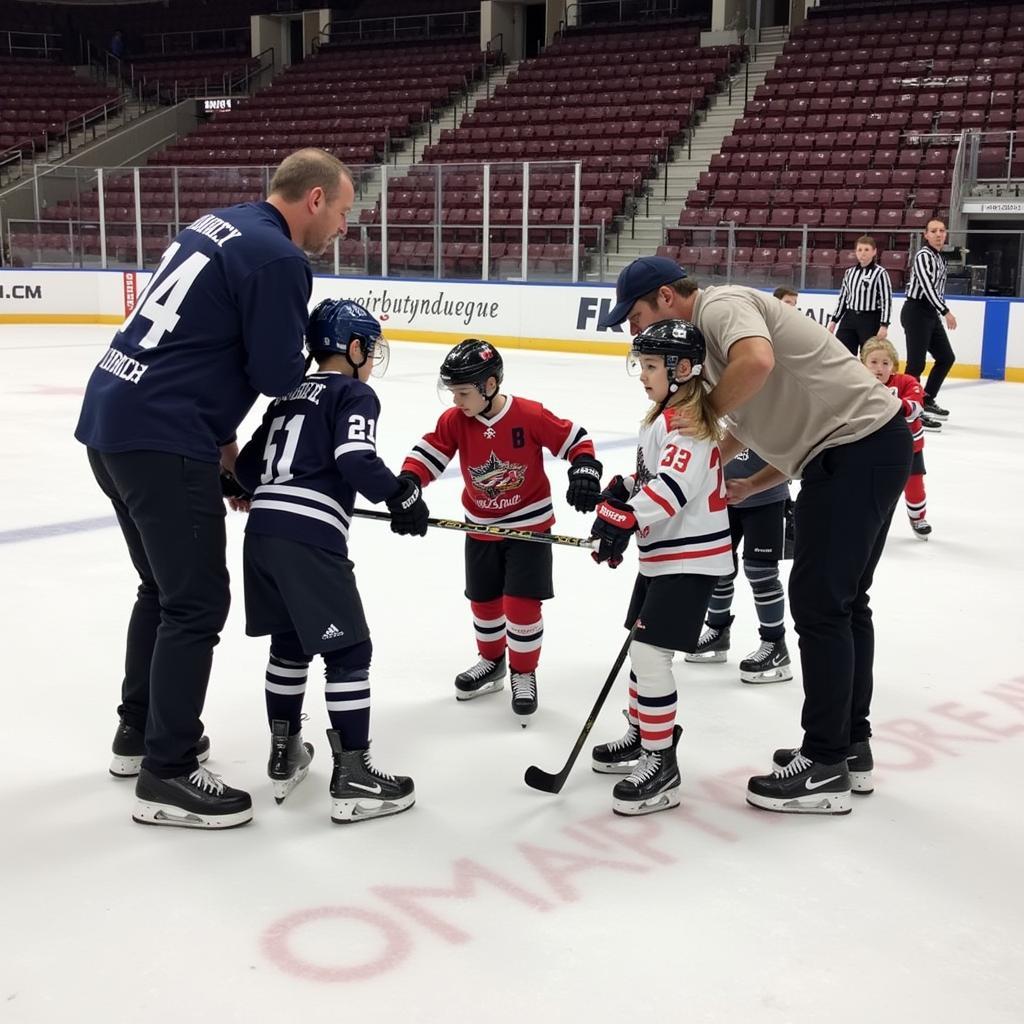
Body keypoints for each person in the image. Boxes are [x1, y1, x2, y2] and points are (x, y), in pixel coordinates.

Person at [75, 147, 355, 830]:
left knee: (162, 591)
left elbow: (202, 346)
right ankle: (167, 773)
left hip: (114, 422)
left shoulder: (219, 224)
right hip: (162, 438)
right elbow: (273, 370)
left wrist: (224, 446)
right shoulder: (283, 259)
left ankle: (137, 732)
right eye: (344, 212)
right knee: (197, 602)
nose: (345, 228)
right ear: (313, 199)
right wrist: (331, 377)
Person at [599, 256, 912, 815]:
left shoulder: (720, 306)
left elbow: (759, 362)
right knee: (843, 604)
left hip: (854, 449)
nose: (634, 330)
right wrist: (733, 477)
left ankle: (824, 765)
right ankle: (848, 744)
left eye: (638, 315)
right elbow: (744, 430)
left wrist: (693, 423)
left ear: (668, 297)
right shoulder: (712, 354)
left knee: (819, 607)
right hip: (857, 449)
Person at [232, 299, 426, 823]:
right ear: (356, 347)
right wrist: (401, 495)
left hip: (261, 535)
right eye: (370, 347)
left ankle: (285, 751)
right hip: (308, 538)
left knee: (291, 643)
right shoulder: (354, 392)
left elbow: (247, 472)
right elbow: (353, 458)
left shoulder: (286, 398)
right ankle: (355, 772)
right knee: (350, 651)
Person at [401, 339, 602, 723]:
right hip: (479, 528)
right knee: (484, 601)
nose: (456, 401)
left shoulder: (528, 414)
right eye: (453, 392)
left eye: (462, 392)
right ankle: (491, 663)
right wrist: (409, 482)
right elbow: (430, 452)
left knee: (521, 606)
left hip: (530, 528)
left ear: (490, 385)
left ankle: (523, 672)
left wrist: (584, 470)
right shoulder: (455, 421)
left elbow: (576, 439)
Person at [588, 319, 732, 816]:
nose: (644, 374)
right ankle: (644, 734)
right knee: (641, 651)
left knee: (651, 656)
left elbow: (673, 489)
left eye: (652, 366)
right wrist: (624, 490)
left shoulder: (686, 423)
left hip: (688, 557)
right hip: (665, 554)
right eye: (643, 364)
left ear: (684, 369)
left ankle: (660, 760)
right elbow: (653, 477)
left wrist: (626, 517)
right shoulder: (663, 416)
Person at [685, 445, 793, 683]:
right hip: (723, 497)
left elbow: (792, 455)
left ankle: (775, 645)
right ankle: (717, 631)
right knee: (719, 565)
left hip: (767, 498)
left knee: (761, 572)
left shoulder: (774, 409)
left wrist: (753, 485)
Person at [861, 337, 931, 539]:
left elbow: (915, 408)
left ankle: (918, 518)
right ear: (863, 364)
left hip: (909, 447)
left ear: (894, 366)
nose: (879, 368)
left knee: (914, 485)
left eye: (885, 363)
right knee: (873, 487)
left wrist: (890, 404)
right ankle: (869, 520)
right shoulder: (858, 384)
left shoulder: (907, 382)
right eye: (873, 362)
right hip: (873, 447)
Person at [901, 217, 957, 426]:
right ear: (926, 235)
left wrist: (939, 310)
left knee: (946, 357)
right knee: (916, 364)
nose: (938, 234)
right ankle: (909, 409)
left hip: (930, 313)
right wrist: (945, 311)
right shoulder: (923, 255)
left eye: (942, 231)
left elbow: (938, 290)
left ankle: (925, 399)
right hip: (916, 311)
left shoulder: (941, 258)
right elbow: (927, 286)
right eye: (933, 231)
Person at [827, 235, 893, 358]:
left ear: (874, 252)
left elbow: (886, 301)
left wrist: (884, 325)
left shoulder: (880, 273)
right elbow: (843, 299)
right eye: (860, 250)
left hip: (870, 319)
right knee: (842, 353)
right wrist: (834, 320)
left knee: (868, 355)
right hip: (850, 318)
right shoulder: (849, 272)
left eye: (867, 250)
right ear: (856, 252)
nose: (863, 253)